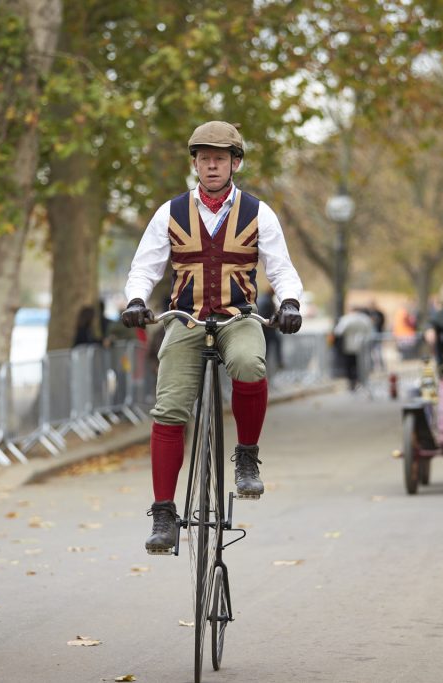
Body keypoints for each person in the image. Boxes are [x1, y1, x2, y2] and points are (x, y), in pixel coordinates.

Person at [120, 121, 303, 553]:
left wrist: (291, 302)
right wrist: (134, 300)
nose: (212, 165)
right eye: (204, 159)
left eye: (220, 158)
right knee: (169, 408)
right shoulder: (171, 212)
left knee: (249, 363)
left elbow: (280, 267)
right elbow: (145, 266)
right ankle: (164, 512)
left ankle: (245, 455)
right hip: (185, 319)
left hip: (238, 317)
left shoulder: (259, 212)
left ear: (235, 163)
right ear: (195, 165)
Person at [334, 305, 375, 391]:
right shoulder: (365, 319)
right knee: (361, 365)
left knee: (350, 365)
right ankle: (361, 381)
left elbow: (339, 331)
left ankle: (352, 383)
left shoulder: (346, 319)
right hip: (362, 346)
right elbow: (371, 332)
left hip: (349, 345)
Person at [256, 288, 283, 372]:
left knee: (267, 347)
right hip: (267, 329)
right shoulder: (268, 301)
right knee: (275, 343)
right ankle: (278, 362)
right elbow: (269, 315)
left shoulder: (263, 298)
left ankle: (266, 363)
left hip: (264, 328)